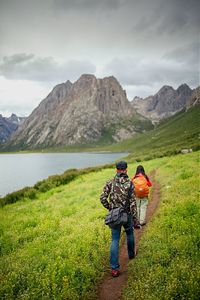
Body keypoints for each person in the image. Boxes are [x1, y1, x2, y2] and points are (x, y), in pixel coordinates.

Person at [100, 160, 139, 277]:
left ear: (116, 170)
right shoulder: (131, 184)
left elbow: (102, 198)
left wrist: (110, 209)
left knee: (115, 240)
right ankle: (131, 255)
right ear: (126, 170)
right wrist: (135, 218)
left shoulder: (110, 182)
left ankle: (114, 269)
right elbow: (133, 203)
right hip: (127, 215)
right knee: (130, 234)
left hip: (114, 216)